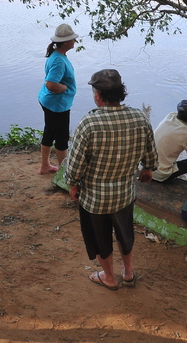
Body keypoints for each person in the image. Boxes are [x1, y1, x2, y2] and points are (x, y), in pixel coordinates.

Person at [65, 69, 157, 290]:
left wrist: (73, 183)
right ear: (120, 93)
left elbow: (75, 163)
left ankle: (109, 277)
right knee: (125, 232)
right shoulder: (139, 118)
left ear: (98, 95)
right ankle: (128, 272)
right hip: (124, 195)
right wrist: (148, 169)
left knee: (100, 238)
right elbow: (151, 155)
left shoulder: (88, 123)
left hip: (94, 199)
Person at [38, 23, 78, 174]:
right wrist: (65, 88)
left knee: (49, 132)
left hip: (49, 102)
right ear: (66, 42)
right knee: (61, 139)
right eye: (73, 39)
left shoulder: (56, 55)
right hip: (57, 105)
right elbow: (51, 84)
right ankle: (65, 174)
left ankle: (45, 166)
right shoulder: (59, 60)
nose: (75, 41)